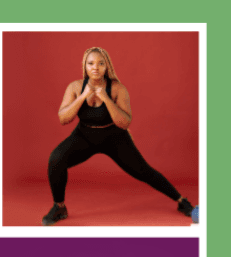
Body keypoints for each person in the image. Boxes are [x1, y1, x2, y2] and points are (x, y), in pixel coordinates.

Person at [43, 47, 194, 225]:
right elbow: (63, 118)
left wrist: (106, 99)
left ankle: (181, 201)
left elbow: (125, 122)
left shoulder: (117, 89)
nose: (96, 68)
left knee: (144, 171)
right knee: (56, 159)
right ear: (85, 66)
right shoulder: (75, 87)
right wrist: (83, 96)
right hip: (84, 136)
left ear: (107, 66)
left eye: (101, 63)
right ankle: (59, 207)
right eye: (91, 63)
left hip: (114, 138)